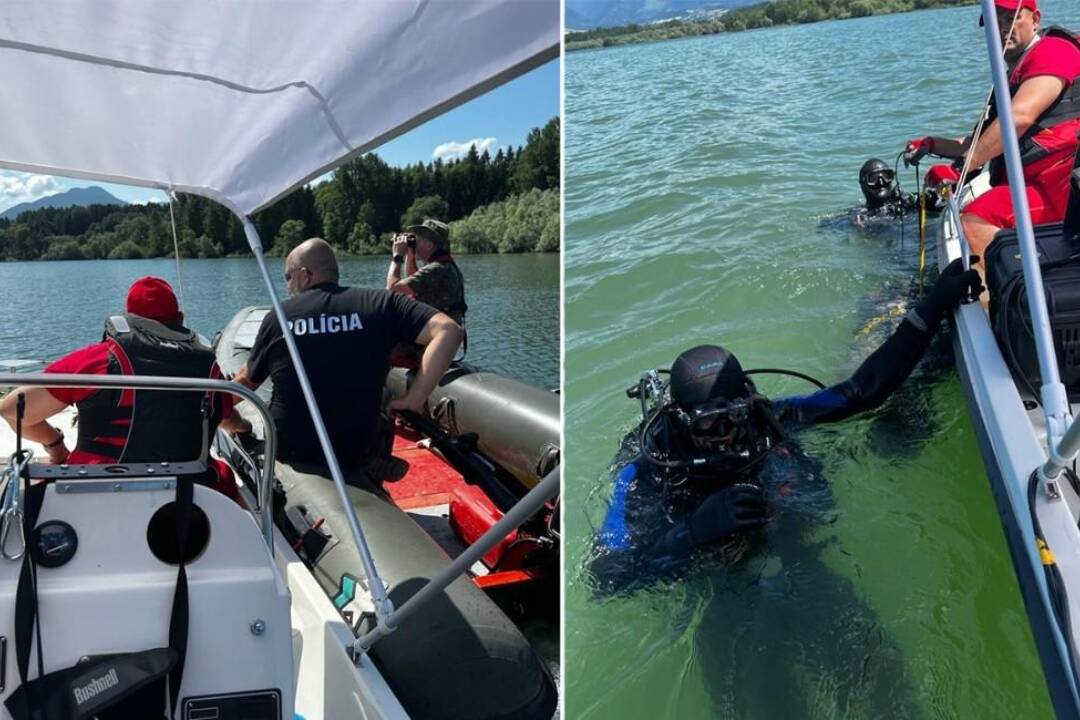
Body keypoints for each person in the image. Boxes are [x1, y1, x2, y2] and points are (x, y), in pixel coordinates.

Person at [588, 257, 982, 591]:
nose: (726, 431)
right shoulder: (647, 467)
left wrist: (929, 310)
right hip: (709, 571)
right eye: (708, 423)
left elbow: (861, 392)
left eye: (735, 414)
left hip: (788, 543)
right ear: (681, 420)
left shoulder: (768, 420)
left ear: (748, 399)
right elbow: (606, 576)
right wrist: (690, 534)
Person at [0, 276, 248, 497]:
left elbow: (11, 409)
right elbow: (226, 417)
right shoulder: (208, 367)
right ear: (180, 319)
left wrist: (56, 446)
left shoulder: (101, 360)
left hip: (93, 488)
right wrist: (245, 427)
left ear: (129, 319)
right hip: (188, 490)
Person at [234, 237, 462, 473]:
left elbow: (245, 382)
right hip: (357, 448)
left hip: (293, 449)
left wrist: (225, 415)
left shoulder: (279, 316)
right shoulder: (381, 303)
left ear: (304, 274)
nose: (288, 285)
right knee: (383, 394)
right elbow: (449, 331)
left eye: (288, 277)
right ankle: (376, 463)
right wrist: (415, 397)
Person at [905, 0, 1080, 258]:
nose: (1000, 28)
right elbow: (976, 143)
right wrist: (930, 144)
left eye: (1010, 18)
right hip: (1034, 187)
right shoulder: (1009, 79)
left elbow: (1020, 116)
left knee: (973, 223)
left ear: (1035, 20)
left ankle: (1001, 297)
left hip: (1063, 190)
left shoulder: (1053, 50)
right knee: (975, 216)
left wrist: (962, 169)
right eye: (993, 21)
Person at [386, 217, 467, 325]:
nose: (415, 244)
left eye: (417, 241)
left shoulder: (437, 269)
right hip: (444, 330)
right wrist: (410, 254)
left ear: (429, 245)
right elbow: (415, 282)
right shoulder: (446, 265)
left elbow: (393, 288)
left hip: (440, 332)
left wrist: (397, 256)